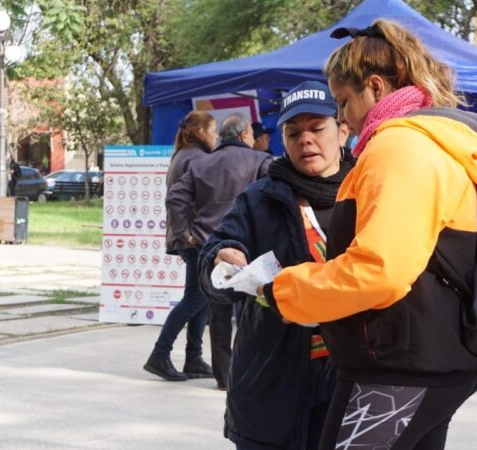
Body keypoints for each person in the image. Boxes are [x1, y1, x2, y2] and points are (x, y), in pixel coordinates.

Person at [257, 21, 477, 449]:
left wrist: (283, 290)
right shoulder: (434, 143)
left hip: (396, 367)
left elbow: (378, 270)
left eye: (344, 101)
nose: (342, 115)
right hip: (428, 358)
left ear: (375, 87)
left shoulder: (400, 147)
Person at [200, 81, 352, 450]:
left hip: (349, 377)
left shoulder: (368, 193)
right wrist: (221, 260)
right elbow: (216, 256)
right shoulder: (260, 197)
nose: (306, 140)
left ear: (343, 130)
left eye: (317, 128)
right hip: (271, 378)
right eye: (293, 132)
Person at [166, 112, 272, 390]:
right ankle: (247, 371)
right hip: (250, 249)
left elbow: (175, 196)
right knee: (252, 311)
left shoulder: (201, 164)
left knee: (219, 314)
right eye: (251, 133)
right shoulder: (262, 161)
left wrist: (184, 233)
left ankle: (224, 377)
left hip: (210, 247)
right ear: (243, 135)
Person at [143, 111, 219, 382]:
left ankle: (194, 358)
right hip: (194, 237)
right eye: (213, 131)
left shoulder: (184, 155)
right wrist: (186, 234)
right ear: (200, 132)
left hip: (190, 236)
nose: (216, 136)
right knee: (197, 297)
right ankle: (160, 355)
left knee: (201, 297)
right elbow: (180, 199)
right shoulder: (196, 158)